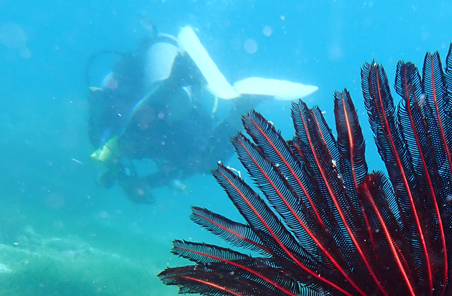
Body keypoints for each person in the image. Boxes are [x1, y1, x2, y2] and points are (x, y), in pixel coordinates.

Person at [87, 26, 317, 203]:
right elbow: (179, 168)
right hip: (180, 124)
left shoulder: (124, 78)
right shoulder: (129, 75)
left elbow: (105, 131)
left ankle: (177, 83)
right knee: (206, 162)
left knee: (135, 136)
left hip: (163, 124)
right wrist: (144, 183)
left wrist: (129, 176)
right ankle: (241, 109)